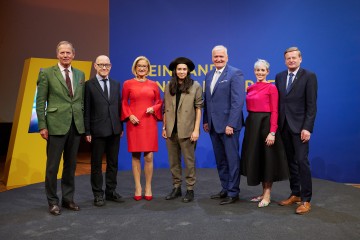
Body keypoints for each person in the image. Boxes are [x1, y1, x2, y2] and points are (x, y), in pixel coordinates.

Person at [36, 41, 85, 215]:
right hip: (55, 125)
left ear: (73, 55)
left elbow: (80, 101)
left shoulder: (80, 74)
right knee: (52, 166)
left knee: (71, 166)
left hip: (75, 125)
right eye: (62, 52)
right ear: (57, 54)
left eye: (68, 53)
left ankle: (68, 199)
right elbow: (40, 101)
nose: (65, 55)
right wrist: (42, 125)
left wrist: (84, 126)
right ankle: (52, 202)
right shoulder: (47, 73)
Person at [240, 59, 289, 208]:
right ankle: (262, 193)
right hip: (252, 126)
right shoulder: (250, 88)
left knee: (267, 160)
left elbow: (275, 111)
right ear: (254, 71)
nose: (260, 73)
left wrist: (272, 132)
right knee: (258, 160)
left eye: (263, 70)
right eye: (257, 70)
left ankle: (267, 194)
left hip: (266, 125)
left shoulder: (272, 88)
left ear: (268, 72)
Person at [275, 47, 317, 214]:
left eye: (294, 58)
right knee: (290, 162)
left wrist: (307, 127)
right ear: (285, 60)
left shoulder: (309, 76)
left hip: (300, 128)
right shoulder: (279, 76)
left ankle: (306, 200)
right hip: (284, 126)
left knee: (301, 161)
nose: (291, 60)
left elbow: (312, 105)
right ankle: (296, 194)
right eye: (288, 58)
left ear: (300, 59)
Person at [203, 45, 245, 205]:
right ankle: (225, 188)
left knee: (232, 159)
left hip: (229, 126)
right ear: (212, 58)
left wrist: (231, 124)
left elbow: (237, 102)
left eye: (221, 56)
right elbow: (208, 100)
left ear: (227, 57)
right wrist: (206, 120)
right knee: (220, 159)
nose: (218, 59)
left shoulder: (235, 73)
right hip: (214, 125)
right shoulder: (208, 75)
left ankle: (234, 192)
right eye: (215, 57)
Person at [121, 56, 162, 201]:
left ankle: (148, 187)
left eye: (145, 66)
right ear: (135, 68)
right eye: (139, 66)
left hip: (149, 122)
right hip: (134, 123)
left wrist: (154, 108)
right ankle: (138, 186)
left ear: (148, 68)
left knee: (149, 156)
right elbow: (124, 102)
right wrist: (129, 115)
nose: (142, 68)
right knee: (136, 155)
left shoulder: (153, 84)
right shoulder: (127, 84)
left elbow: (159, 101)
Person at [84, 55, 124, 207]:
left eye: (106, 65)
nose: (104, 67)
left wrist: (121, 127)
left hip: (114, 130)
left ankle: (111, 191)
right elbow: (86, 109)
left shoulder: (115, 84)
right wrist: (87, 131)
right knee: (96, 164)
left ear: (110, 66)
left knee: (113, 163)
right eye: (101, 65)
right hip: (97, 131)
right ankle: (98, 194)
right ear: (95, 66)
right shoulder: (89, 85)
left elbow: (119, 107)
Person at [162, 57, 203, 203]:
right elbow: (165, 108)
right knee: (173, 161)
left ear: (188, 71)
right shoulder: (168, 86)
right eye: (179, 69)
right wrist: (164, 127)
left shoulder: (195, 85)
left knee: (189, 161)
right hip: (171, 130)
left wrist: (196, 129)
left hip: (187, 130)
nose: (181, 71)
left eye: (184, 69)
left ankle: (190, 189)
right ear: (175, 71)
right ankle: (176, 187)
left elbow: (198, 108)